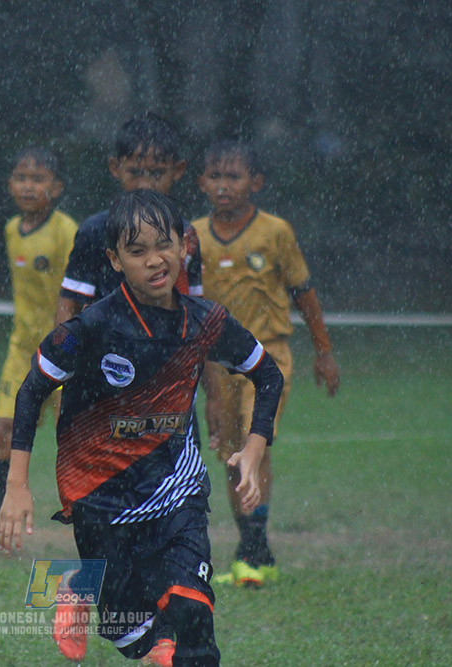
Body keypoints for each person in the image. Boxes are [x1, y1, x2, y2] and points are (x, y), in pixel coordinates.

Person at [0, 190, 284, 666]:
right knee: (135, 639)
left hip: (176, 491)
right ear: (114, 260)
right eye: (137, 251)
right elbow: (31, 391)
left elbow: (268, 374)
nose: (155, 260)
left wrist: (253, 449)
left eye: (164, 245)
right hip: (101, 498)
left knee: (191, 614)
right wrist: (16, 485)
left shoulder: (205, 322)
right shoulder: (90, 329)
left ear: (184, 247)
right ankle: (79, 583)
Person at [191, 140, 340, 588]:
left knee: (256, 443)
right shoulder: (192, 236)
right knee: (231, 454)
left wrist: (324, 351)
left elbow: (304, 292)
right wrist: (205, 386)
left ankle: (251, 550)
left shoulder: (275, 232)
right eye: (215, 176)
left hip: (267, 356)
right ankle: (257, 551)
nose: (223, 185)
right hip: (218, 363)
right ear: (200, 182)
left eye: (233, 176)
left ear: (255, 182)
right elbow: (191, 311)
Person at [0, 147, 77, 558]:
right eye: (21, 178)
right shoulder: (10, 230)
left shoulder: (66, 232)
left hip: (66, 353)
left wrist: (70, 344)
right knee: (4, 431)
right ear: (9, 185)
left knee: (74, 440)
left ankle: (96, 528)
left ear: (56, 187)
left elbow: (78, 293)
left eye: (38, 179)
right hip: (22, 351)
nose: (28, 186)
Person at [56, 111, 202, 327]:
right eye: (135, 172)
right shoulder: (96, 231)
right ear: (116, 168)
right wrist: (63, 347)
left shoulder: (186, 234)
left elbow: (196, 309)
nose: (145, 184)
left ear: (178, 170)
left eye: (156, 173)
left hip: (165, 344)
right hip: (106, 344)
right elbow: (69, 306)